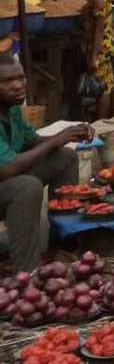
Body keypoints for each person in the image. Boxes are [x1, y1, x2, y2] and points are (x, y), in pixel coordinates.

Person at [0, 56, 89, 271]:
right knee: (26, 186)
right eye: (7, 80)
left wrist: (69, 135)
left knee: (65, 157)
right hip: (6, 180)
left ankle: (63, 245)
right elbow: (7, 169)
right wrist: (57, 140)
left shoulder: (11, 109)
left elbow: (32, 141)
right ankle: (27, 274)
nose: (18, 85)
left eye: (21, 77)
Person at [81, 0, 114, 119]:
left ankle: (100, 122)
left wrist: (93, 57)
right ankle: (112, 118)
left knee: (102, 87)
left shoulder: (98, 0)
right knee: (109, 85)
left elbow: (98, 30)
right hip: (108, 45)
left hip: (101, 48)